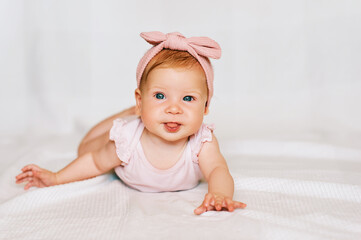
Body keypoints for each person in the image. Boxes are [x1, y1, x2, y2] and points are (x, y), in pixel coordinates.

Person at [15, 31, 247, 215]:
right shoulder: (127, 139)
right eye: (159, 96)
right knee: (84, 148)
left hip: (142, 115)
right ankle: (130, 112)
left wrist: (220, 194)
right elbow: (95, 162)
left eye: (188, 99)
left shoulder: (202, 142)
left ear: (205, 108)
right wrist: (56, 177)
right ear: (139, 99)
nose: (174, 108)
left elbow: (218, 170)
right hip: (129, 124)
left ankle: (143, 109)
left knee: (147, 118)